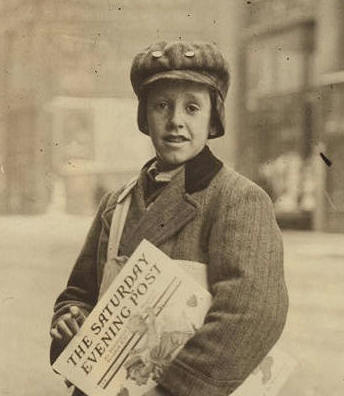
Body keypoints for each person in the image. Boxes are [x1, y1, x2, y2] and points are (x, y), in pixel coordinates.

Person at [50, 40, 288, 396]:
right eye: (162, 105)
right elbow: (79, 293)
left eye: (192, 107)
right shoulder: (117, 203)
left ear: (213, 119)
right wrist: (71, 317)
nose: (176, 120)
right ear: (144, 116)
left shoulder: (238, 199)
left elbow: (249, 317)